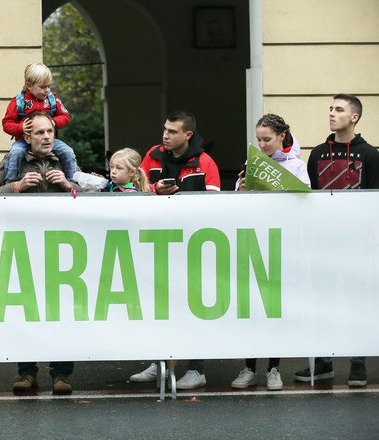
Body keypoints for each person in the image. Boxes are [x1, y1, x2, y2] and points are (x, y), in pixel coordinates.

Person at [0, 111, 77, 394]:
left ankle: (61, 375)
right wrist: (16, 187)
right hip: (23, 248)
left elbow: (88, 195)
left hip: (60, 248)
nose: (46, 137)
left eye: (50, 131)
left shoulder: (65, 161)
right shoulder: (13, 160)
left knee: (61, 314)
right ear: (27, 136)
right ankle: (26, 373)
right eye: (39, 133)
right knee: (25, 312)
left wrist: (68, 185)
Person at [130, 110, 220, 390]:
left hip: (192, 246)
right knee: (159, 307)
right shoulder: (152, 155)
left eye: (172, 131)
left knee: (191, 309)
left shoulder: (205, 162)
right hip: (156, 242)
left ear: (187, 135)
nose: (165, 136)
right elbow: (135, 190)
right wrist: (155, 189)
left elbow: (217, 206)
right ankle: (160, 364)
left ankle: (197, 369)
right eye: (164, 130)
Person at [295, 93, 379, 387]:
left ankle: (358, 363)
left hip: (357, 243)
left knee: (357, 301)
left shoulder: (370, 155)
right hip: (323, 241)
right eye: (330, 108)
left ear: (354, 117)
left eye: (339, 109)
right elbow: (310, 197)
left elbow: (374, 201)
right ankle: (323, 362)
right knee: (322, 300)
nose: (332, 113)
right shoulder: (317, 153)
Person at [231, 114, 310, 391]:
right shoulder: (251, 164)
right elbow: (240, 205)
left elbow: (305, 200)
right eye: (258, 140)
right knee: (250, 308)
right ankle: (249, 367)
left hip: (281, 244)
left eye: (267, 139)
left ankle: (274, 368)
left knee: (274, 308)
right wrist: (240, 187)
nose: (262, 144)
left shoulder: (297, 166)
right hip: (253, 242)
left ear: (282, 136)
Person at [1, 63, 76, 183]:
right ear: (29, 85)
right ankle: (10, 183)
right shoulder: (18, 102)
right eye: (42, 87)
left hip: (49, 140)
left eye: (48, 86)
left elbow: (65, 116)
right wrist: (21, 127)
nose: (46, 90)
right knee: (15, 153)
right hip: (23, 141)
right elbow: (6, 124)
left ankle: (72, 181)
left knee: (68, 152)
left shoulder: (52, 100)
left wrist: (54, 122)